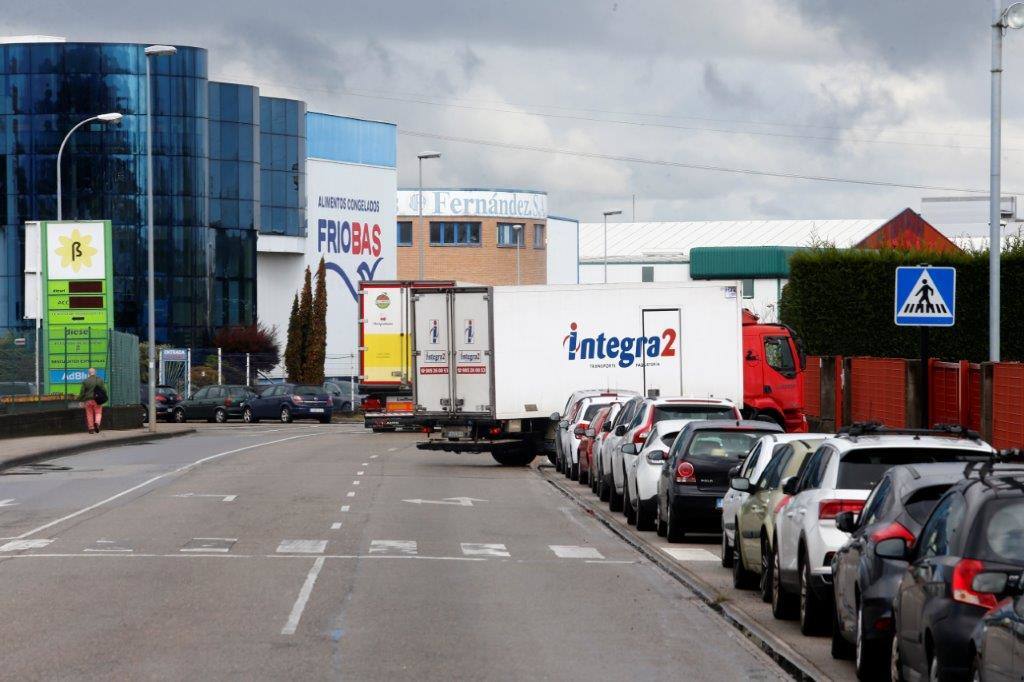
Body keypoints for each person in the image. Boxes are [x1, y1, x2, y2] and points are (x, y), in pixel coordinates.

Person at [78, 368, 106, 434]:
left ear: (88, 373)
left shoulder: (85, 381)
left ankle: (91, 428)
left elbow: (82, 392)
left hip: (88, 400)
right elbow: (104, 390)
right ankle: (97, 423)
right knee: (98, 412)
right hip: (98, 399)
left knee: (89, 414)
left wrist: (81, 400)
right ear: (95, 372)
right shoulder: (100, 380)